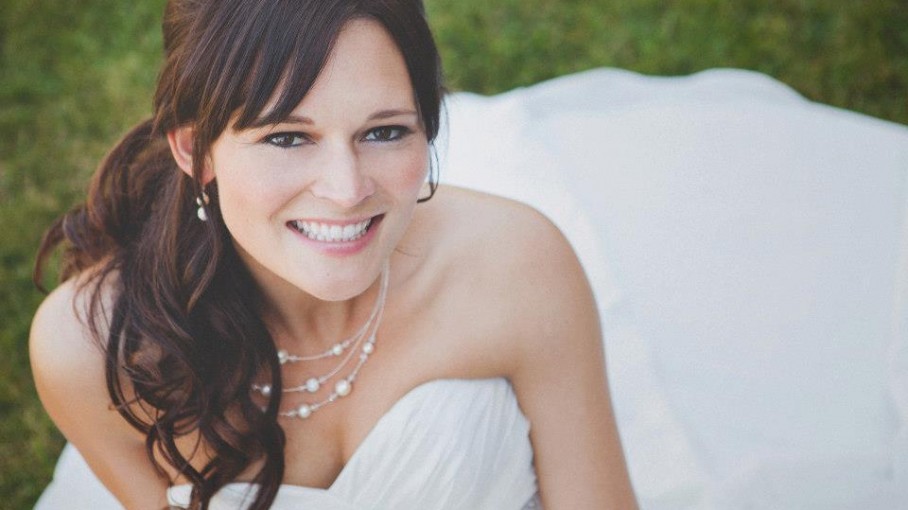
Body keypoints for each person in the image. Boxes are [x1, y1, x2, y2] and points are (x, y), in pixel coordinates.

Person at [30, 1, 637, 508]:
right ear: (196, 151)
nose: (346, 191)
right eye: (288, 137)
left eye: (384, 131)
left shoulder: (519, 267)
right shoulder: (89, 351)